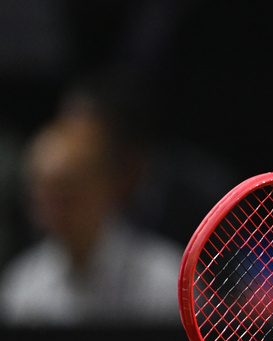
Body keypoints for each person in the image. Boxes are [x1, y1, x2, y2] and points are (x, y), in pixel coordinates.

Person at [0, 78, 182, 326]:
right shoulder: (21, 291)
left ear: (106, 189)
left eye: (66, 198)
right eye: (42, 199)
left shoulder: (168, 283)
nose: (50, 214)